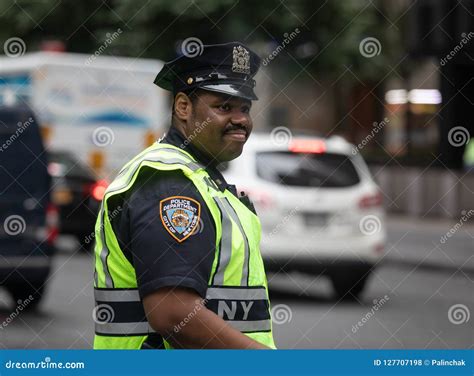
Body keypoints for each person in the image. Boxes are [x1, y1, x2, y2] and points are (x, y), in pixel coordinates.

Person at [93, 42, 276, 349]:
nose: (241, 120)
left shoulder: (201, 177)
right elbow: (173, 312)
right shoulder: (170, 182)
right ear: (183, 107)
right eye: (223, 107)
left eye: (244, 108)